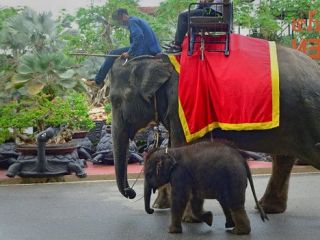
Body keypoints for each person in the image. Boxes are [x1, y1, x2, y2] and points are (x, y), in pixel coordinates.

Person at [94, 8, 162, 85]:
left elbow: (138, 37)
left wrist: (129, 52)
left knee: (112, 53)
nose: (120, 22)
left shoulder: (132, 22)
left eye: (118, 19)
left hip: (146, 49)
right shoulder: (137, 20)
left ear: (123, 16)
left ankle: (98, 80)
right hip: (152, 49)